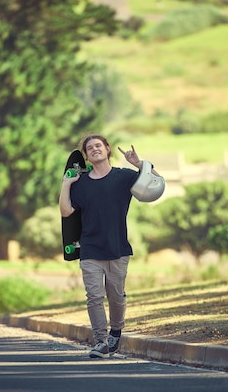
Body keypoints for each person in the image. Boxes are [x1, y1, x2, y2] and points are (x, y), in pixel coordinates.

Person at [59, 134, 164, 358]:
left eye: (99, 145)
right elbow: (66, 211)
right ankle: (101, 341)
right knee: (94, 296)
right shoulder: (81, 184)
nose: (95, 149)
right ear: (86, 156)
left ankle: (116, 333)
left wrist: (140, 164)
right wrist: (66, 183)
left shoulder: (124, 177)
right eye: (90, 148)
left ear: (107, 150)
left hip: (118, 248)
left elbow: (156, 184)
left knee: (116, 296)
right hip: (90, 249)